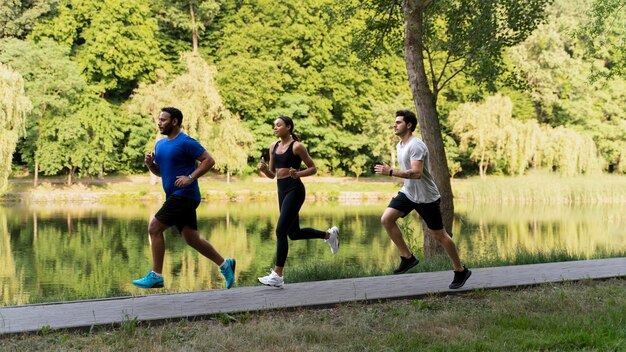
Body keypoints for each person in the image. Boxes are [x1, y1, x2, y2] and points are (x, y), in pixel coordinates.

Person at [132, 107, 236, 289]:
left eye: (163, 119)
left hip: (185, 196)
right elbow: (161, 173)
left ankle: (156, 275)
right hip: (174, 196)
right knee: (191, 239)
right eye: (159, 119)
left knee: (154, 228)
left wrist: (191, 177)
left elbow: (209, 160)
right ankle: (225, 264)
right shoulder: (160, 145)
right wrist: (150, 165)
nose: (159, 122)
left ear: (174, 122)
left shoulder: (186, 142)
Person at [374, 110, 471, 289]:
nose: (394, 125)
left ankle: (460, 270)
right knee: (386, 219)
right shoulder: (400, 145)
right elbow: (408, 174)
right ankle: (408, 258)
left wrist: (391, 171)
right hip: (409, 193)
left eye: (398, 122)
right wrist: (399, 185)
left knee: (439, 235)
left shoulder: (416, 145)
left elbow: (417, 173)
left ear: (409, 125)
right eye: (394, 122)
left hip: (426, 197)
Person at [256, 115, 339, 288]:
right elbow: (273, 175)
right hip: (282, 190)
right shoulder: (273, 146)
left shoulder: (297, 146)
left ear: (289, 127)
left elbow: (313, 168)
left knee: (280, 230)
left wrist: (298, 174)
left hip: (295, 190)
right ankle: (329, 235)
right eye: (274, 126)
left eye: (278, 125)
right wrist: (264, 170)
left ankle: (277, 275)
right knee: (293, 233)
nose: (275, 128)